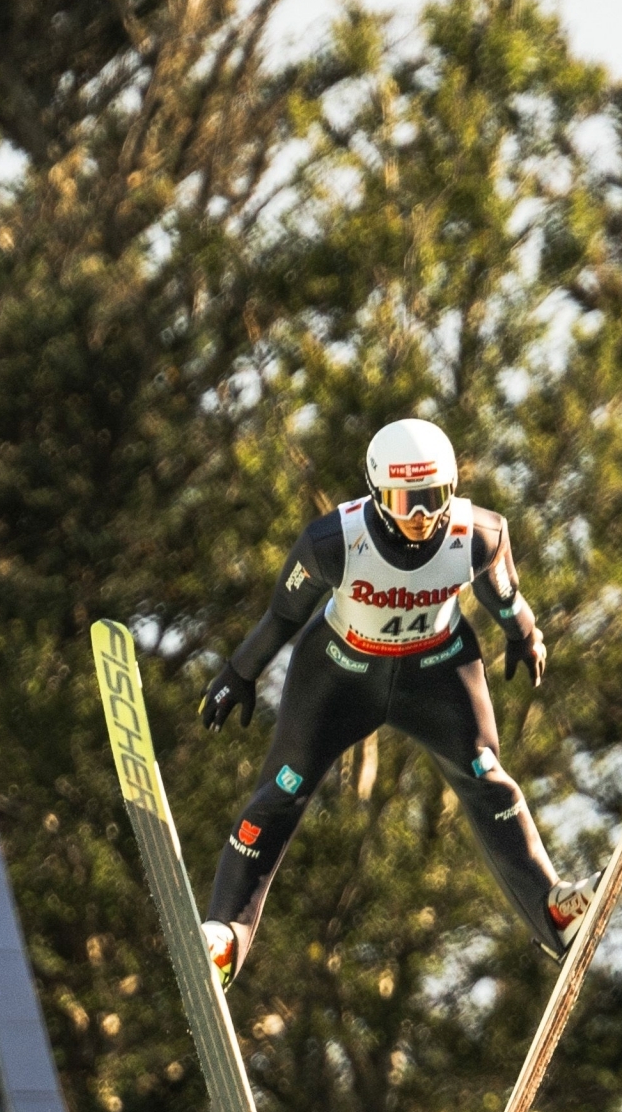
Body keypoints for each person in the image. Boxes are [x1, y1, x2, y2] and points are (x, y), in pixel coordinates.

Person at [197, 418, 595, 988]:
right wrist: (239, 673)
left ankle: (553, 912)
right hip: (341, 674)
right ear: (376, 494)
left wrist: (525, 635)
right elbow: (282, 616)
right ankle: (225, 937)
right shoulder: (333, 541)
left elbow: (506, 596)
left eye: (434, 497)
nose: (421, 516)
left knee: (487, 775)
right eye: (406, 501)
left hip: (436, 672)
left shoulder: (478, 534)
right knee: (282, 790)